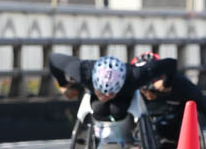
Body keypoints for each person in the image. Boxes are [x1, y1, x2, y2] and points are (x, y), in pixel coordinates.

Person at [130, 51, 206, 149]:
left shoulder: (178, 83)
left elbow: (204, 104)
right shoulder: (134, 85)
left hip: (175, 118)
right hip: (153, 118)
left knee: (167, 148)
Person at [48, 52, 178, 124]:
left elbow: (171, 63)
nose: (106, 96)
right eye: (103, 92)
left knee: (117, 111)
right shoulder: (82, 71)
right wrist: (63, 83)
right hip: (93, 91)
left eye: (110, 93)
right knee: (99, 109)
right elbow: (52, 59)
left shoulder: (136, 76)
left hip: (124, 94)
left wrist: (166, 85)